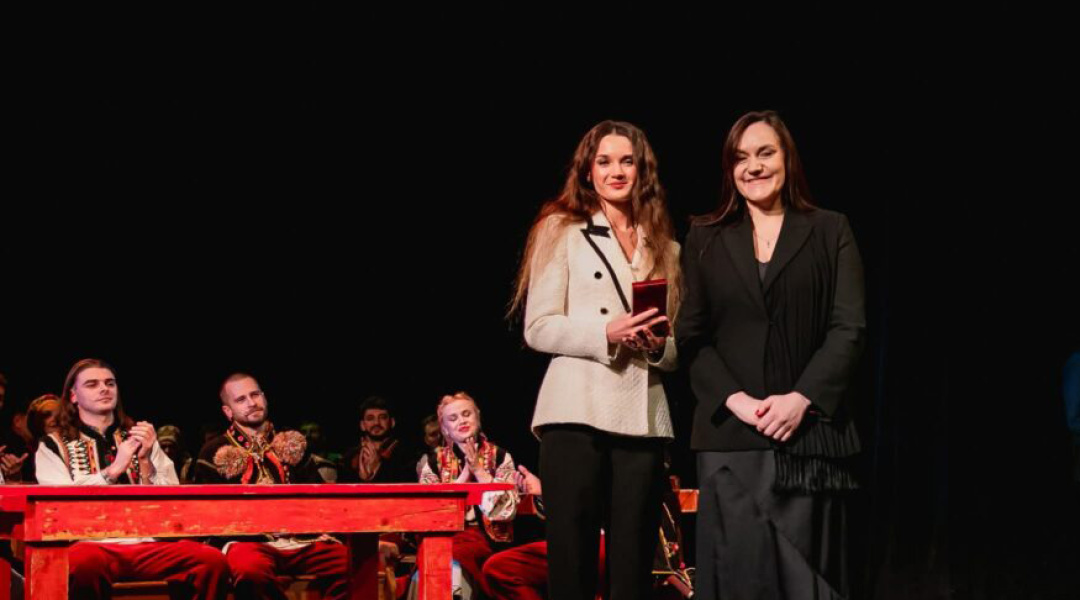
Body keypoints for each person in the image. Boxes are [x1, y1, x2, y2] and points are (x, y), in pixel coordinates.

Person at [676, 110, 865, 599]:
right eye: (741, 158)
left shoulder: (830, 229)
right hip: (730, 440)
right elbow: (691, 336)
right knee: (737, 579)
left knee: (805, 583)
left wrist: (802, 398)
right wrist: (736, 400)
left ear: (787, 159)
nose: (754, 166)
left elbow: (848, 328)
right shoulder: (704, 237)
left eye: (765, 153)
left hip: (807, 441)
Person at [509, 120, 680, 600]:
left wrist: (656, 344)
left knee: (634, 565)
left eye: (627, 161)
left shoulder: (665, 245)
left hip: (642, 416)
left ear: (643, 170)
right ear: (587, 171)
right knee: (573, 559)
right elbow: (538, 327)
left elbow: (674, 349)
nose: (616, 171)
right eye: (604, 161)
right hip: (575, 411)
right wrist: (606, 332)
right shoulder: (561, 230)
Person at [35, 359, 229, 599]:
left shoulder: (139, 436)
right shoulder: (52, 445)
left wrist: (146, 462)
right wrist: (112, 471)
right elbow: (58, 505)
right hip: (93, 545)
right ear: (73, 396)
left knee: (210, 561)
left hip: (149, 544)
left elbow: (173, 500)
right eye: (92, 384)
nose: (104, 389)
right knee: (82, 563)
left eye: (110, 383)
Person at [194, 372, 347, 600]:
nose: (251, 403)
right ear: (228, 411)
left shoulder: (291, 443)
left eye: (255, 395)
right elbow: (208, 513)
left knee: (348, 563)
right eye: (241, 399)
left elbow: (319, 496)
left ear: (264, 398)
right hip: (249, 543)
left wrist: (319, 527)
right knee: (250, 572)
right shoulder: (213, 451)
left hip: (302, 540)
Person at [418, 392, 518, 598]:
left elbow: (505, 511)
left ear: (477, 417)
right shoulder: (433, 462)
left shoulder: (500, 456)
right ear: (444, 428)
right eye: (453, 418)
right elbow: (430, 513)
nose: (462, 421)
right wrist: (465, 473)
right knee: (434, 557)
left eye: (466, 414)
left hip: (489, 539)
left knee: (459, 555)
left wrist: (479, 471)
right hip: (445, 537)